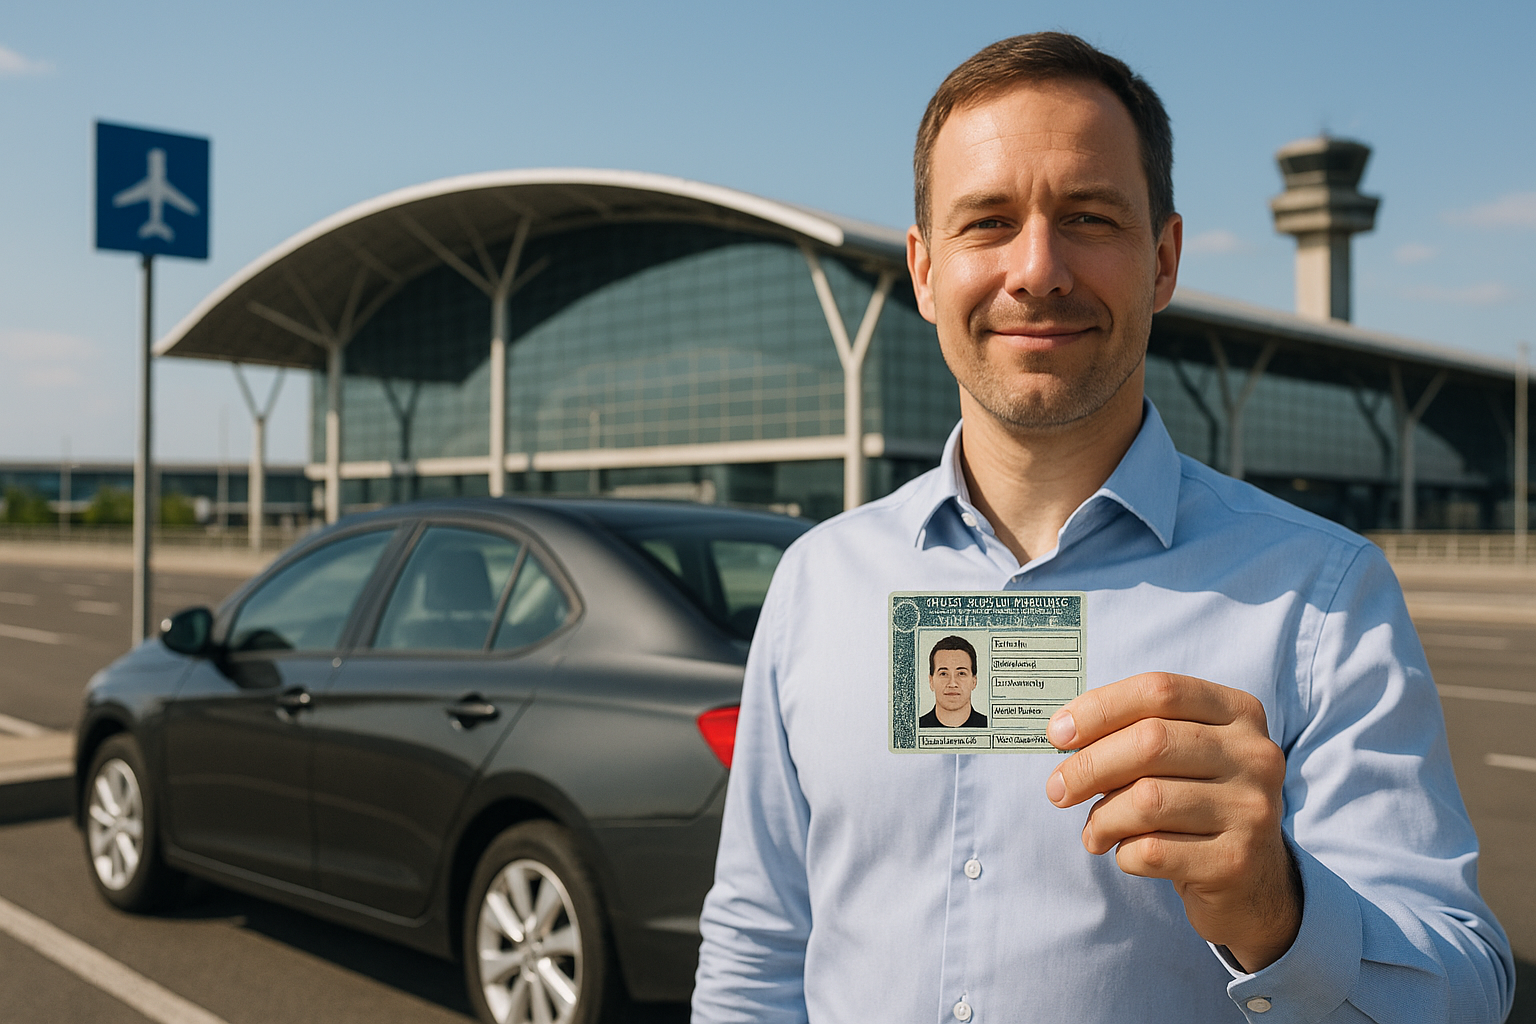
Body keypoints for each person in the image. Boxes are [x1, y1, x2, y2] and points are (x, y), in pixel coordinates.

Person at [692, 31, 1513, 1024]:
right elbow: (758, 949)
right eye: (988, 221)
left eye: (1087, 217)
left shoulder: (1321, 600)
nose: (1037, 270)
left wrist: (1280, 909)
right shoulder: (818, 585)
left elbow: (1466, 993)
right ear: (921, 269)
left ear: (1163, 260)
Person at [919, 635, 988, 728]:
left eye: (961, 673)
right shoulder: (914, 729)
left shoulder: (991, 727)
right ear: (931, 681)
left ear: (974, 681)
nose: (952, 684)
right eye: (943, 674)